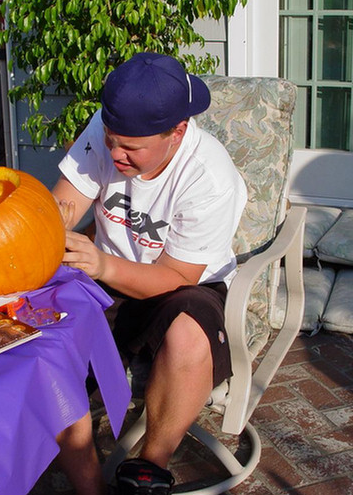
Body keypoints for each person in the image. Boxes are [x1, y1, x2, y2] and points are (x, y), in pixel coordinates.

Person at [52, 52, 247, 495]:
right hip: (107, 272)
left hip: (185, 283)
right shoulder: (107, 132)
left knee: (187, 333)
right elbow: (63, 205)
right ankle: (89, 487)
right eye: (110, 139)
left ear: (177, 133)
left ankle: (150, 465)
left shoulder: (209, 177)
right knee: (50, 344)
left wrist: (101, 263)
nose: (114, 154)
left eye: (131, 148)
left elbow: (174, 274)